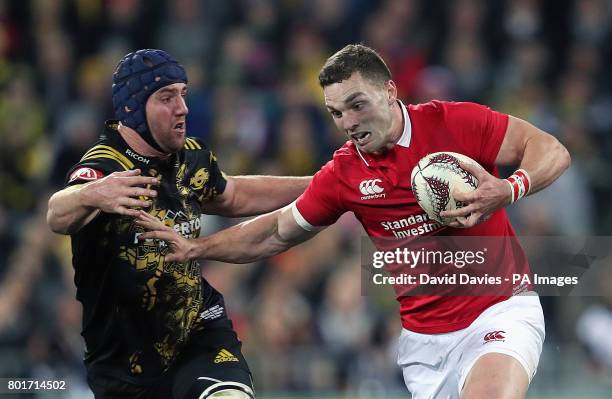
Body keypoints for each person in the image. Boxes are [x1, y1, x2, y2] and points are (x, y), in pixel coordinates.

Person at [135, 44, 571, 399]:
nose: (348, 122)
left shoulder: (455, 122)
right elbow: (273, 232)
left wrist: (508, 188)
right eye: (336, 113)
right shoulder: (344, 174)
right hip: (425, 344)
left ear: (390, 91)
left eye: (357, 105)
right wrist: (197, 249)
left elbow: (550, 149)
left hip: (500, 311)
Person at [46, 49, 311, 399]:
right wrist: (90, 195)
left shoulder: (191, 158)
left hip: (197, 333)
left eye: (183, 94)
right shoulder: (105, 165)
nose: (182, 108)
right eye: (167, 98)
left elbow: (233, 195)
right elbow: (56, 214)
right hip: (124, 363)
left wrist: (321, 183)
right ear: (134, 108)